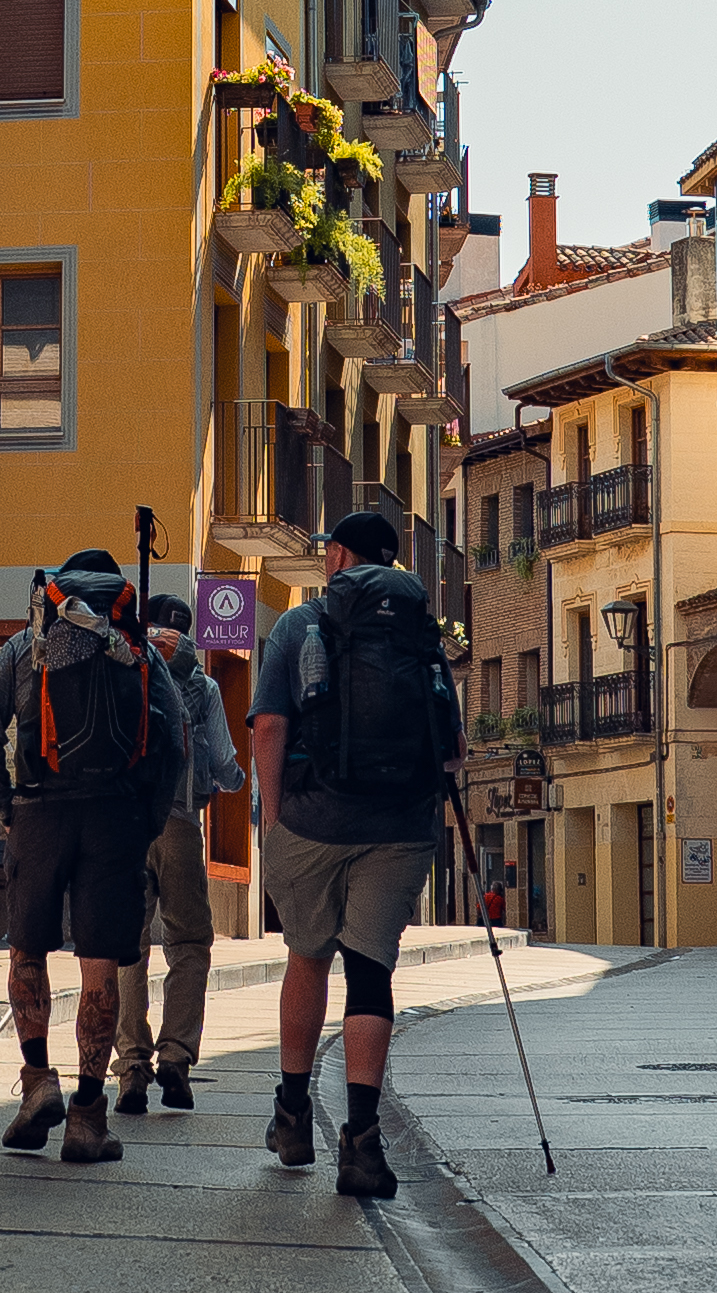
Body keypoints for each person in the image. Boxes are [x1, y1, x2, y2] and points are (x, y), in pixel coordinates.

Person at [248, 506, 462, 1201]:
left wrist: (276, 822)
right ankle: (363, 1144)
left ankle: (293, 1114)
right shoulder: (418, 629)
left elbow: (271, 725)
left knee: (307, 956)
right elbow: (452, 748)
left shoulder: (297, 624)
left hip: (312, 819)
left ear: (338, 556)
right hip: (400, 825)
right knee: (371, 976)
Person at [0, 547, 187, 1166]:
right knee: (100, 967)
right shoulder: (139, 649)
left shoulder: (26, 644)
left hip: (38, 812)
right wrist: (144, 821)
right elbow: (171, 741)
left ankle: (39, 1083)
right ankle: (88, 1118)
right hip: (114, 817)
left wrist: (5, 807)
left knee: (27, 950)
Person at [114, 595, 244, 1113]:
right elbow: (226, 763)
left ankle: (130, 1068)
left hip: (125, 825)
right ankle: (175, 1056)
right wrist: (231, 783)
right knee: (189, 942)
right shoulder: (203, 685)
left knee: (128, 944)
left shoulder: (127, 667)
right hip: (182, 824)